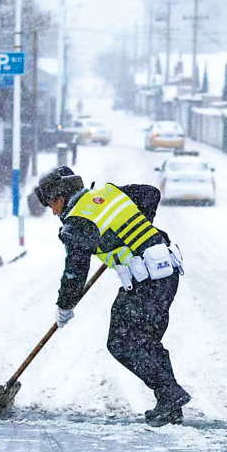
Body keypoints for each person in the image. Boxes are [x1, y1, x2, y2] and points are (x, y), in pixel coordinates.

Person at [34, 165, 191, 427]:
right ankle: (170, 402)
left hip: (148, 280)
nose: (53, 211)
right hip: (166, 272)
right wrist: (129, 231)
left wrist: (65, 306)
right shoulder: (108, 193)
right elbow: (150, 194)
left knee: (122, 343)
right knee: (145, 340)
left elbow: (75, 272)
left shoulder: (76, 224)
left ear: (60, 197)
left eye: (51, 204)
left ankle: (171, 395)